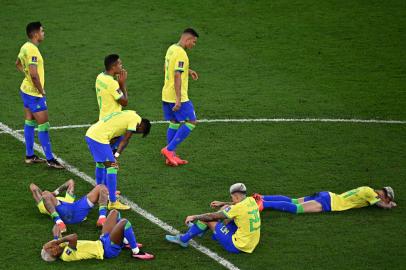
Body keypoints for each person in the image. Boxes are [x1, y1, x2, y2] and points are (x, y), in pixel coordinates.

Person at [15, 21, 63, 169]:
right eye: (42, 31)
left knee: (29, 121)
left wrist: (27, 76)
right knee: (44, 125)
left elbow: (17, 63)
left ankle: (30, 156)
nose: (43, 33)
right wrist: (40, 90)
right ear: (35, 34)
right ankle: (50, 159)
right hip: (34, 93)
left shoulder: (25, 46)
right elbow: (34, 74)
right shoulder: (33, 51)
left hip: (25, 90)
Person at [165, 183, 261, 254]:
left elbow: (211, 216)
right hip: (251, 242)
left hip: (237, 246)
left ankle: (183, 240)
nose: (231, 199)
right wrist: (223, 203)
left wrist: (194, 216)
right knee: (225, 208)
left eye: (232, 197)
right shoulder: (251, 200)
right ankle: (202, 229)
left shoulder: (238, 208)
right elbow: (236, 204)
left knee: (207, 219)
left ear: (236, 196)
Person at [85, 110, 151, 210]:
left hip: (91, 134)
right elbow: (125, 140)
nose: (137, 132)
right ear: (142, 126)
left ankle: (100, 190)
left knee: (101, 164)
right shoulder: (135, 121)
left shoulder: (131, 113)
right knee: (112, 168)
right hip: (99, 138)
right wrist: (115, 156)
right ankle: (112, 202)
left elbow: (119, 135)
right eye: (140, 131)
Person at [41, 209, 154, 262]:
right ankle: (136, 252)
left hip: (102, 240)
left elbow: (56, 227)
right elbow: (73, 237)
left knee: (114, 213)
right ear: (55, 253)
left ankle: (125, 243)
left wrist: (55, 239)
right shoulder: (66, 255)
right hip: (107, 250)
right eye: (51, 248)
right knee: (124, 222)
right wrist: (57, 241)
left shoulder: (61, 245)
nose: (53, 246)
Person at [161, 28, 199, 166]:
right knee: (191, 121)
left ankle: (170, 156)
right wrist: (178, 99)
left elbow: (168, 68)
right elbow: (177, 75)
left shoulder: (171, 48)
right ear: (187, 39)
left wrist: (187, 71)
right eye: (193, 42)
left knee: (174, 122)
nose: (193, 45)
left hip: (166, 93)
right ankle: (169, 150)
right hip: (178, 96)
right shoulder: (182, 54)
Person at [94, 54, 129, 185]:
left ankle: (100, 186)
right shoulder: (113, 83)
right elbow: (125, 102)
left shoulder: (100, 77)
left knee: (103, 159)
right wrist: (122, 84)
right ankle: (106, 190)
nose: (122, 66)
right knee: (110, 160)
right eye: (120, 64)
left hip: (103, 120)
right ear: (113, 67)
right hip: (112, 126)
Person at [30, 179, 109, 230]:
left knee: (101, 187)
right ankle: (58, 221)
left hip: (77, 208)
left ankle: (102, 218)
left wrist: (54, 193)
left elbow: (70, 182)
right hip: (61, 211)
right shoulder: (43, 204)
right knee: (45, 194)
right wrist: (48, 194)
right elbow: (33, 187)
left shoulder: (67, 199)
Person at [252, 186, 396, 214]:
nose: (386, 201)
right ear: (384, 195)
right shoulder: (373, 195)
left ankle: (262, 197)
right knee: (296, 209)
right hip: (330, 203)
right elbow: (381, 205)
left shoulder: (367, 189)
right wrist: (391, 206)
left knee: (294, 201)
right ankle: (263, 204)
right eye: (387, 198)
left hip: (327, 195)